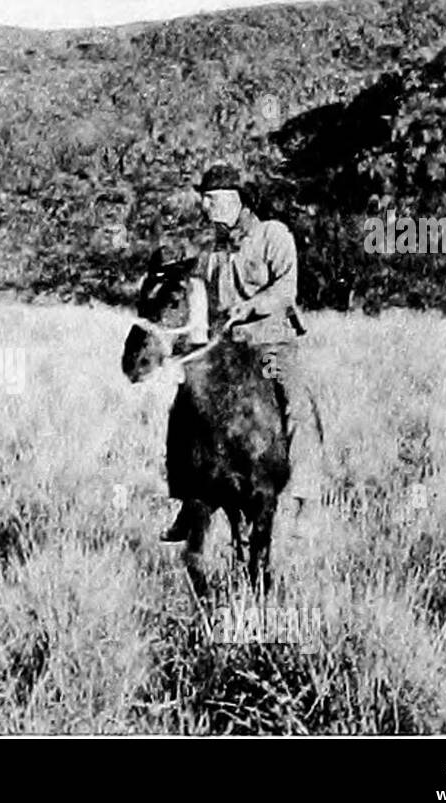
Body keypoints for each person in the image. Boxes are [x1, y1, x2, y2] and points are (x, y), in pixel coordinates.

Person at [161, 162, 320, 541]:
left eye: (212, 199)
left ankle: (303, 502)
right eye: (204, 199)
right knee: (182, 409)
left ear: (235, 199)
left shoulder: (272, 235)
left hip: (267, 345)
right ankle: (187, 499)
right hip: (227, 349)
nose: (206, 206)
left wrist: (250, 307)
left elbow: (286, 290)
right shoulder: (212, 249)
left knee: (297, 406)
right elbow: (199, 297)